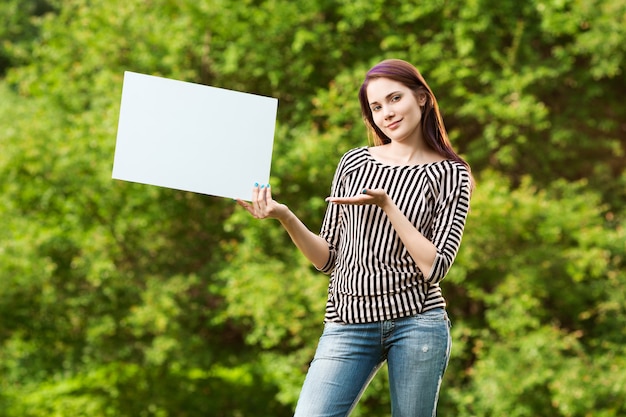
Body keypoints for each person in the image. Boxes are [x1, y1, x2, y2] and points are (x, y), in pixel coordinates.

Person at [237, 58, 472, 417]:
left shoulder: (451, 173)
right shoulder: (354, 163)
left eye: (395, 99)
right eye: (376, 107)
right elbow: (328, 258)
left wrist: (389, 207)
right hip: (347, 322)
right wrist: (284, 215)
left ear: (422, 98)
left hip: (417, 323)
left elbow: (436, 266)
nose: (387, 113)